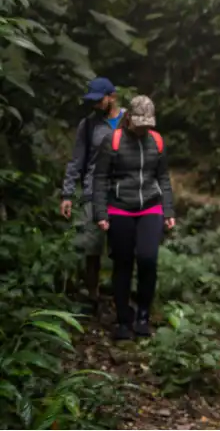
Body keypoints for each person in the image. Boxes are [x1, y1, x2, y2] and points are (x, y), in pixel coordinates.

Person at [92, 95, 176, 341]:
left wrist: (168, 210)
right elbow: (100, 178)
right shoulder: (113, 141)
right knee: (123, 262)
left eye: (147, 125)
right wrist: (101, 212)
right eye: (139, 124)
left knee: (148, 259)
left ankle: (142, 315)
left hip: (151, 205)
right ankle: (122, 320)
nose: (143, 129)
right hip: (120, 207)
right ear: (128, 119)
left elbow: (163, 178)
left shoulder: (157, 141)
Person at [61, 76, 126, 316]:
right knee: (92, 246)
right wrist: (67, 193)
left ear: (112, 97)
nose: (96, 105)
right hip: (92, 191)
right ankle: (93, 296)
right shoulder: (87, 125)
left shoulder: (129, 120)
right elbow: (77, 159)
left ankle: (121, 297)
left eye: (100, 100)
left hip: (122, 192)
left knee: (122, 247)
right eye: (93, 101)